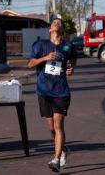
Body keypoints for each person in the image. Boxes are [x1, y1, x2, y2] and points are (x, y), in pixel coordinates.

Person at [28, 18, 77, 173]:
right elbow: (30, 64)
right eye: (54, 22)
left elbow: (73, 59)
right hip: (44, 91)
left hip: (61, 91)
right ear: (50, 29)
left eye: (59, 23)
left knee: (58, 125)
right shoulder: (40, 45)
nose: (56, 23)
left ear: (62, 30)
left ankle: (56, 160)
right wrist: (45, 58)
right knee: (51, 129)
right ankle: (62, 150)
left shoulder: (68, 46)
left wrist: (72, 69)